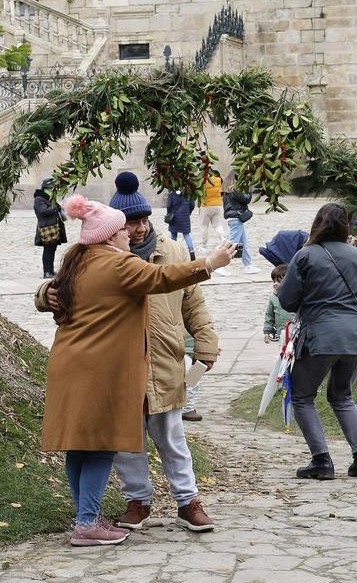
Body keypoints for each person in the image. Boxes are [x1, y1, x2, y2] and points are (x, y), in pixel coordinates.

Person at [42, 194, 234, 547]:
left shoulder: (77, 260)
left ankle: (90, 517)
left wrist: (44, 293)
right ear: (108, 235)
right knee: (102, 445)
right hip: (101, 369)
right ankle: (88, 522)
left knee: (80, 448)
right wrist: (211, 262)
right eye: (122, 229)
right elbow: (162, 278)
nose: (129, 235)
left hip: (71, 364)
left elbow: (53, 291)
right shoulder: (118, 263)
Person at [277, 203, 357, 481]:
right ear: (346, 226)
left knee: (302, 396)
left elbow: (287, 299)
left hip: (319, 337)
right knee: (342, 396)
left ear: (317, 224)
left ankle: (321, 459)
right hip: (356, 338)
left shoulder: (305, 255)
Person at [221, 171, 260, 275]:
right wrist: (249, 188)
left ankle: (248, 266)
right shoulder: (234, 189)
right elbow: (245, 199)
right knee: (232, 244)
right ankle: (220, 265)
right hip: (236, 218)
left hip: (233, 218)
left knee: (243, 244)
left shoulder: (227, 190)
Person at [33, 179, 66, 278]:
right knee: (47, 251)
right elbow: (42, 211)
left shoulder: (49, 198)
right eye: (52, 188)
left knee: (52, 249)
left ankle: (51, 270)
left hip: (54, 228)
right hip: (46, 228)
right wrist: (55, 207)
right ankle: (46, 272)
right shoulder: (39, 199)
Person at [263, 264, 295, 343]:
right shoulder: (273, 298)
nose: (275, 284)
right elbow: (269, 316)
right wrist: (267, 331)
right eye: (274, 281)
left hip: (296, 333)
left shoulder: (296, 296)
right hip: (281, 334)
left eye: (279, 281)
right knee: (282, 352)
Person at [197, 171, 228, 250]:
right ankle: (222, 238)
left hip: (206, 206)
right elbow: (223, 192)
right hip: (218, 205)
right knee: (217, 225)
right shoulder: (219, 179)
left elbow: (198, 192)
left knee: (204, 226)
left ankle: (203, 245)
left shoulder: (203, 180)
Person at [165, 190, 195, 259]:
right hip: (185, 217)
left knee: (173, 235)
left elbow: (169, 206)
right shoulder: (188, 192)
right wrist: (188, 212)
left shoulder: (171, 193)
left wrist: (169, 213)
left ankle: (173, 252)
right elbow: (192, 205)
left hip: (174, 217)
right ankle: (191, 251)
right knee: (186, 235)